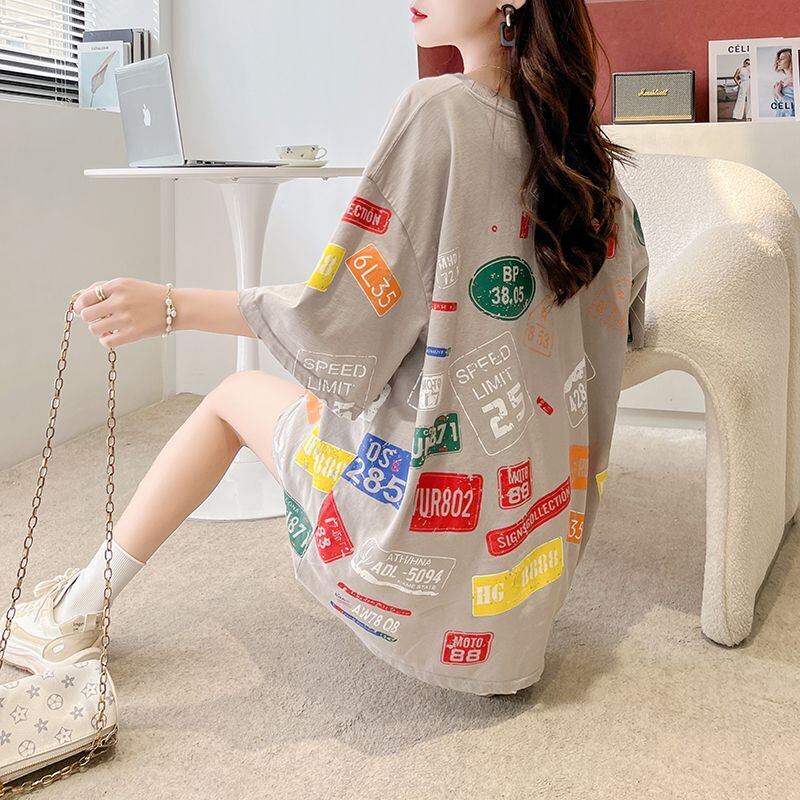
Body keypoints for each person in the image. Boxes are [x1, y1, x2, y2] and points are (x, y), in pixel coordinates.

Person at [6, 0, 649, 696]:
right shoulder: (585, 155)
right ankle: (75, 603)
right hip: (527, 566)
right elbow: (625, 305)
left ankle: (72, 614)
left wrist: (171, 306)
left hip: (418, 534)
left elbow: (337, 324)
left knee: (230, 398)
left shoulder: (438, 111)